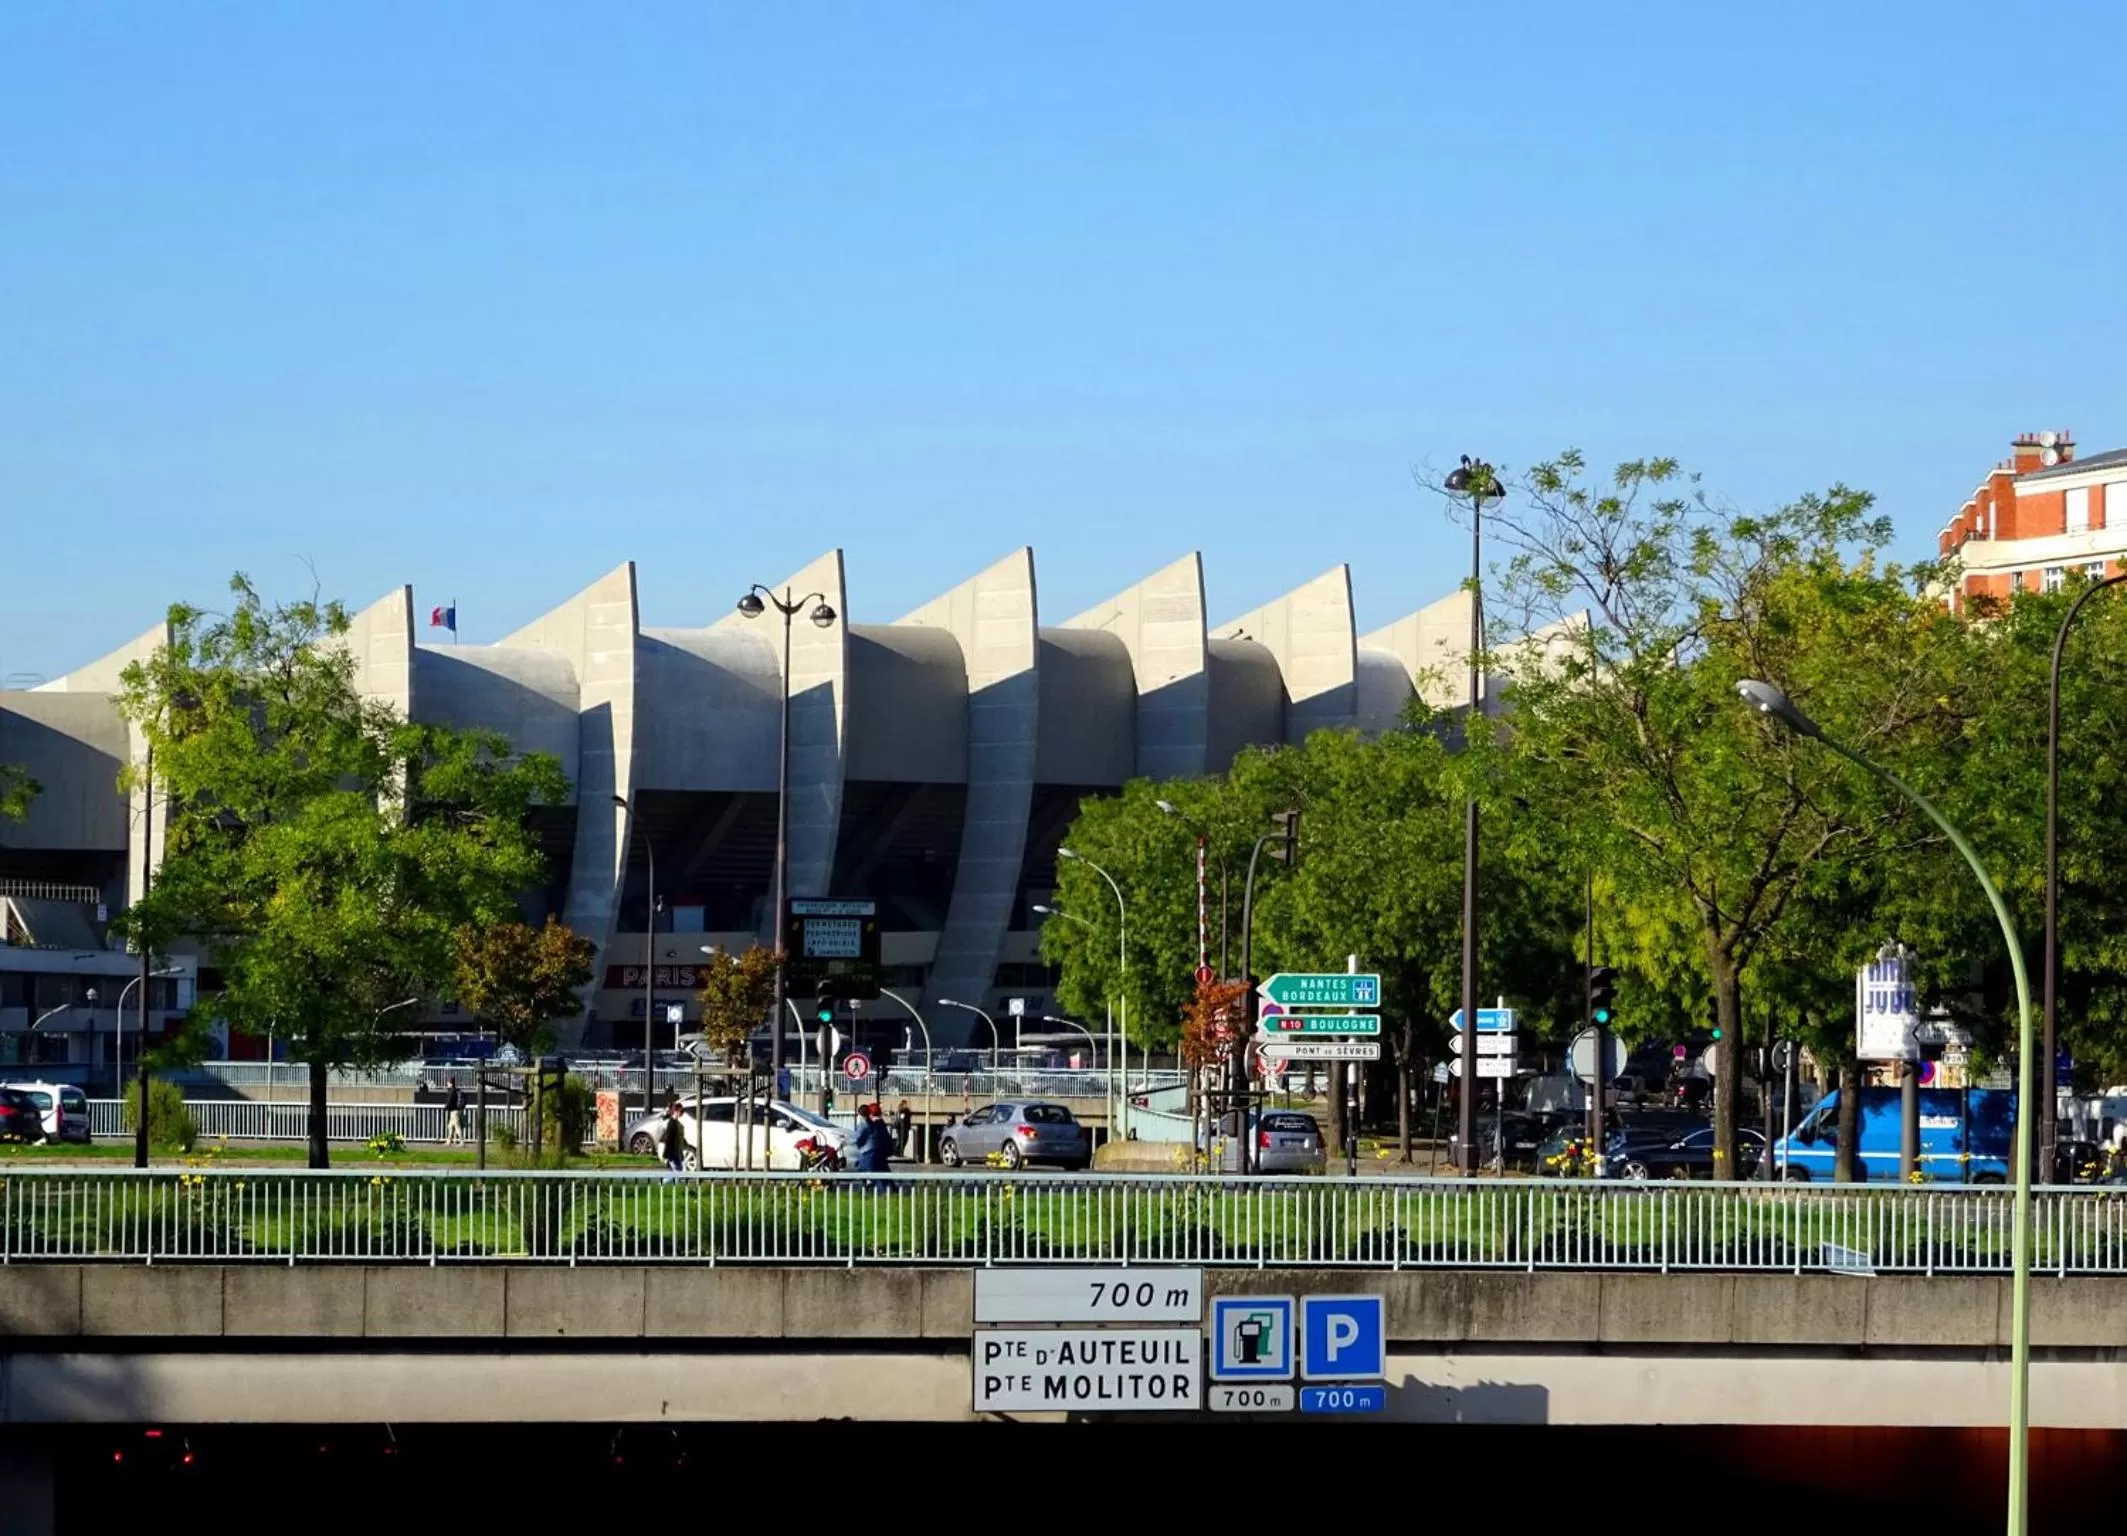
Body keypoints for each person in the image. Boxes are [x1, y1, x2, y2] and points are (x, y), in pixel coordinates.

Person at [849, 1102, 894, 1175]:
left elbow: (856, 1138)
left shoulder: (868, 1125)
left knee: (875, 1177)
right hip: (880, 1154)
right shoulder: (880, 1123)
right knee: (884, 1178)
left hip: (873, 1155)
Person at [658, 1099, 690, 1177]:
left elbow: (676, 1137)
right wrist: (667, 1155)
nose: (682, 1113)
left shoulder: (675, 1122)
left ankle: (669, 1185)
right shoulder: (671, 1123)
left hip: (675, 1151)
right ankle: (662, 1183)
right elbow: (669, 1139)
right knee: (678, 1172)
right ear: (676, 1111)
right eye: (681, 1111)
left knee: (678, 1171)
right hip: (672, 1152)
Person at [443, 1079, 465, 1146]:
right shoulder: (455, 1090)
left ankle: (462, 1142)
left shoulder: (452, 1091)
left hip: (454, 1111)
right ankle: (448, 1141)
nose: (447, 1084)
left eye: (448, 1083)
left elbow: (450, 1101)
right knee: (450, 1126)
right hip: (455, 1111)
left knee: (457, 1127)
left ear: (451, 1083)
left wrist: (446, 1107)